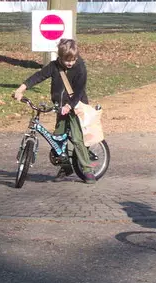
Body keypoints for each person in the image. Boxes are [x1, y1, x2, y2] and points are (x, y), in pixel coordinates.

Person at [13, 37, 95, 182]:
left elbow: (79, 90)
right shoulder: (54, 66)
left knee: (76, 138)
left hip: (76, 106)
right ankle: (66, 167)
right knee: (57, 139)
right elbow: (38, 76)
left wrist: (69, 105)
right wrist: (21, 89)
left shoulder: (80, 67)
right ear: (60, 57)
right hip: (60, 107)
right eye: (67, 60)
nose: (70, 63)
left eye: (73, 59)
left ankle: (87, 170)